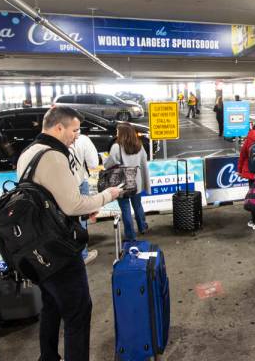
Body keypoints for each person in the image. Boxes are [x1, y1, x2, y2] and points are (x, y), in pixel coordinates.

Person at [16, 106, 122, 361]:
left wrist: (82, 211)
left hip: (35, 245)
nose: (76, 136)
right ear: (58, 127)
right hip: (58, 249)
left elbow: (48, 200)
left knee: (51, 305)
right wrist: (108, 196)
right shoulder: (52, 156)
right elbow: (72, 204)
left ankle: (49, 356)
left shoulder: (29, 152)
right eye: (74, 130)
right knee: (78, 311)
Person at [104, 123, 151, 242]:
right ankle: (142, 227)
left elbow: (108, 164)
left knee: (125, 209)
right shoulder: (139, 145)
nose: (116, 133)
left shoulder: (116, 146)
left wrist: (104, 161)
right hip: (137, 182)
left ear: (122, 133)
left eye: (117, 131)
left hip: (122, 184)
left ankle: (131, 236)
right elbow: (144, 163)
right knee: (138, 205)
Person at [70, 132, 100, 265]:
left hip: (64, 186)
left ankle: (71, 254)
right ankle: (83, 254)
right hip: (80, 181)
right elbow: (93, 163)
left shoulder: (52, 142)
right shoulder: (83, 140)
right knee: (82, 218)